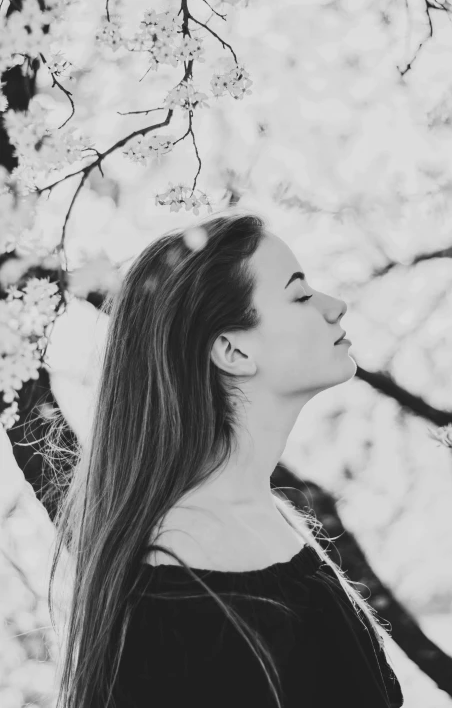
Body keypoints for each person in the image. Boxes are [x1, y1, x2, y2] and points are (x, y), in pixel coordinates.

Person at [48, 209, 404, 708]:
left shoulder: (270, 518)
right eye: (300, 295)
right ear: (232, 351)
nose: (335, 305)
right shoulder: (174, 595)